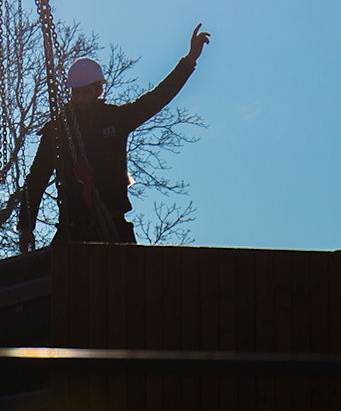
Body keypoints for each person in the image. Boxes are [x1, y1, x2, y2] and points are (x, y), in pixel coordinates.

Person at [18, 25, 210, 251]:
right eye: (75, 93)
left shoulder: (115, 120)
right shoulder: (57, 131)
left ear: (99, 91)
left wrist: (188, 62)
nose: (79, 98)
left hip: (114, 225)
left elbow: (156, 99)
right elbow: (37, 179)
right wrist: (25, 227)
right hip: (73, 229)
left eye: (85, 92)